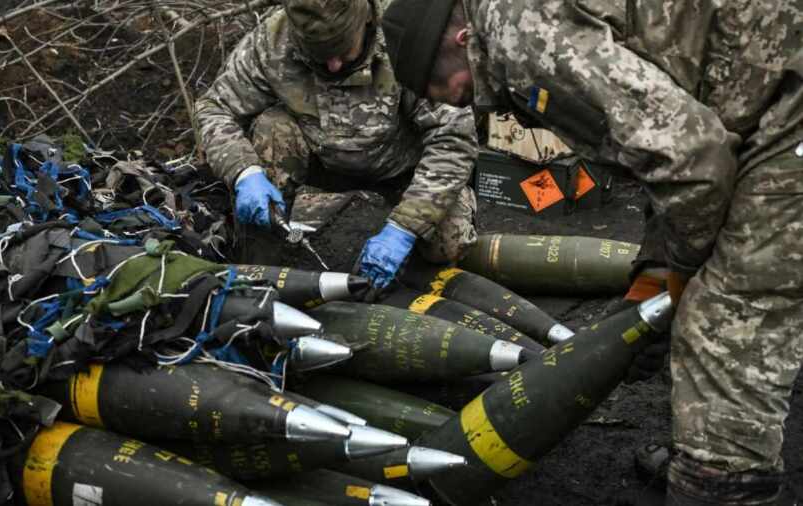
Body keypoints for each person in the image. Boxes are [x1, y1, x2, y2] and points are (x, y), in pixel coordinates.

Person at [379, 0, 803, 504]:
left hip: (785, 113)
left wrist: (687, 273)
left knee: (726, 323)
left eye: (438, 86)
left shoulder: (521, 37)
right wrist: (656, 271)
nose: (455, 102)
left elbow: (691, 161)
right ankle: (705, 452)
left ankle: (721, 479)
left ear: (458, 41)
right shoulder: (514, 24)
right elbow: (659, 155)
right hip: (761, 92)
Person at [194, 0, 478, 289]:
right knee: (272, 127)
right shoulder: (273, 40)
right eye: (318, 54)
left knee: (447, 242)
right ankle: (258, 271)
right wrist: (244, 173)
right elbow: (214, 107)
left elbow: (453, 138)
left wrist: (405, 227)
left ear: (366, 21)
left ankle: (412, 271)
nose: (334, 65)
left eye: (342, 50)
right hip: (322, 162)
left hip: (405, 170)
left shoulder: (405, 35)